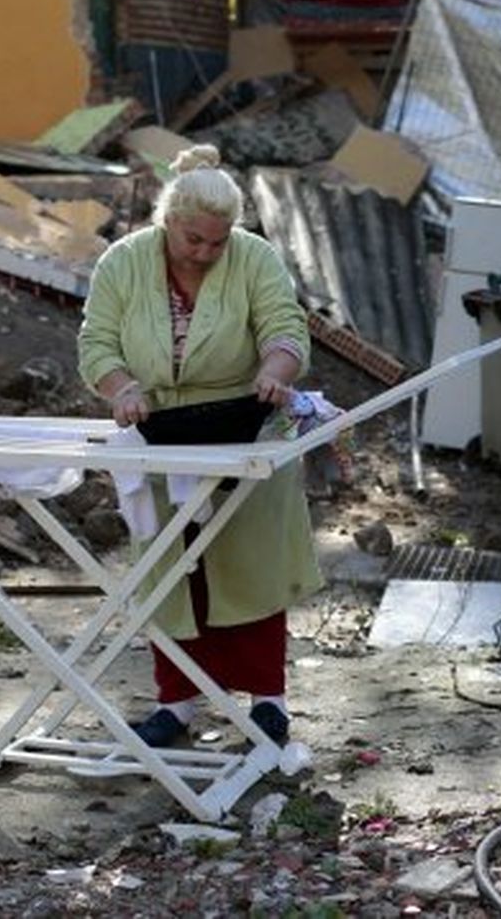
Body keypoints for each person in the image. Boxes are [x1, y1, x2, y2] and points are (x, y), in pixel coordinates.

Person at [77, 144, 321, 748]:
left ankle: (268, 701)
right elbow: (96, 343)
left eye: (218, 242)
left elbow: (285, 327)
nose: (207, 253)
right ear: (168, 221)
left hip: (244, 421)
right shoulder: (123, 262)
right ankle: (178, 701)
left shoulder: (254, 258)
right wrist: (122, 387)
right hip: (157, 424)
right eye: (194, 241)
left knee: (250, 567)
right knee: (172, 571)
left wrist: (275, 371)